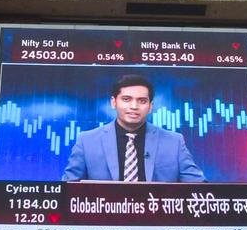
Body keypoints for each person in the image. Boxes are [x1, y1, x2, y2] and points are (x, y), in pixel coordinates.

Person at [62, 74, 205, 182]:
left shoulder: (174, 142)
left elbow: (200, 189)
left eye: (142, 101)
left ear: (150, 106)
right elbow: (68, 188)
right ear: (113, 102)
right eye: (126, 99)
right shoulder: (87, 141)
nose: (134, 106)